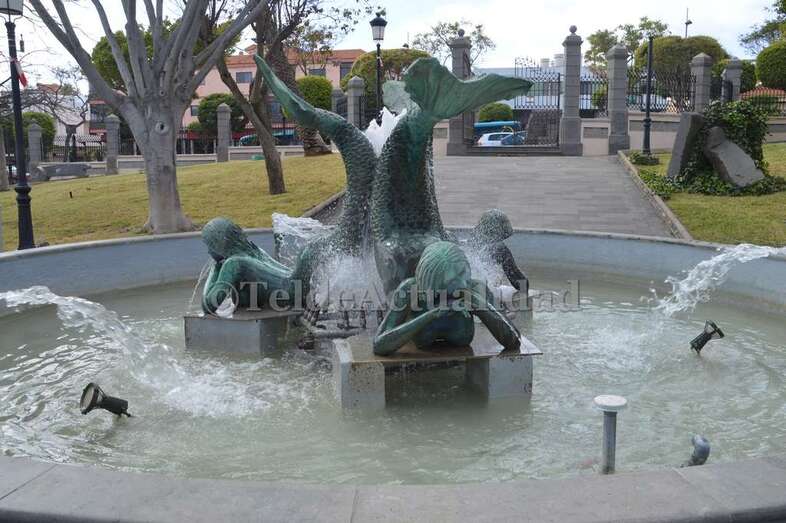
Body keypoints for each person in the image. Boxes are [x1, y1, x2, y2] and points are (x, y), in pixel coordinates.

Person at [373, 241, 521, 356]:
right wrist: (430, 315)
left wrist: (480, 305)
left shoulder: (475, 288)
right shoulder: (410, 290)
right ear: (433, 281)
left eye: (462, 272)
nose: (463, 283)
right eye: (452, 280)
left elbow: (514, 341)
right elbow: (379, 345)